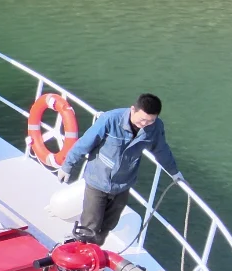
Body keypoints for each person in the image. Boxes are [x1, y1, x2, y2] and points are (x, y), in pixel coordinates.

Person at [57, 93, 182, 246]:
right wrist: (67, 166)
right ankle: (81, 251)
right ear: (133, 110)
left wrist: (174, 172)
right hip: (98, 180)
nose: (145, 124)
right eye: (142, 119)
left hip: (123, 184)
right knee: (90, 225)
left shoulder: (155, 128)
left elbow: (162, 150)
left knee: (109, 224)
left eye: (150, 121)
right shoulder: (110, 120)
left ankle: (94, 251)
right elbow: (85, 143)